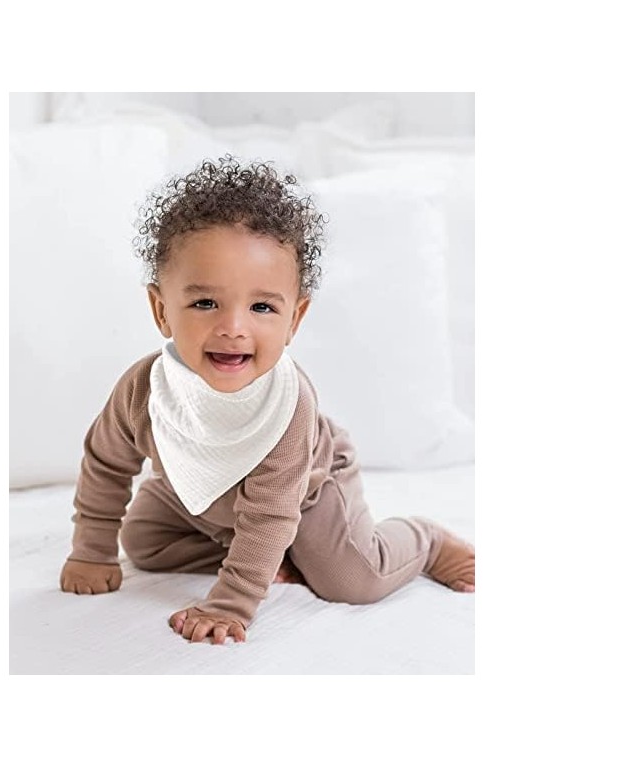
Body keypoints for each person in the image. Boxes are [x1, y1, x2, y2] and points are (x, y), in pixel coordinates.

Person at [59, 155, 475, 645]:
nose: (233, 327)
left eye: (261, 307)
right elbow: (106, 464)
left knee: (353, 581)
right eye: (204, 303)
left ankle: (428, 541)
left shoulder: (288, 405)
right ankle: (265, 554)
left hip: (306, 491)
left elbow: (271, 512)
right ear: (161, 309)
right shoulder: (144, 389)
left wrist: (230, 602)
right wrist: (92, 550)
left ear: (294, 319)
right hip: (201, 493)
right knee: (144, 543)